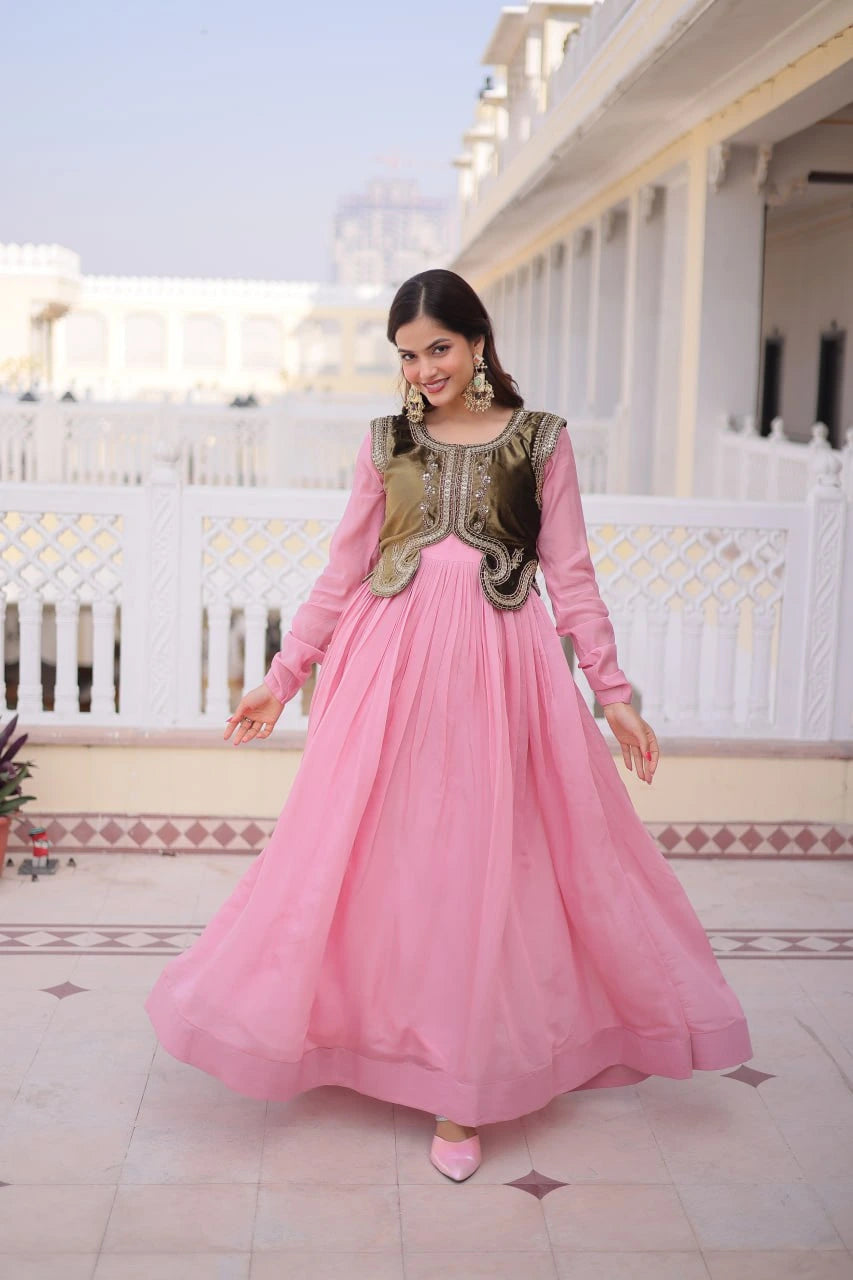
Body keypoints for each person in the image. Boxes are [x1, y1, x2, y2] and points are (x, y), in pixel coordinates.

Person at [145, 268, 753, 1184]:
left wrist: (612, 691)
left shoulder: (541, 440)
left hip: (501, 672)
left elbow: (572, 577)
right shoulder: (385, 441)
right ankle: (372, 1040)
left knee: (481, 864)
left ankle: (459, 1089)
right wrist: (282, 676)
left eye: (437, 348)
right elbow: (342, 571)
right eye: (407, 355)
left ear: (477, 343)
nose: (423, 369)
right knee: (380, 858)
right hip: (384, 669)